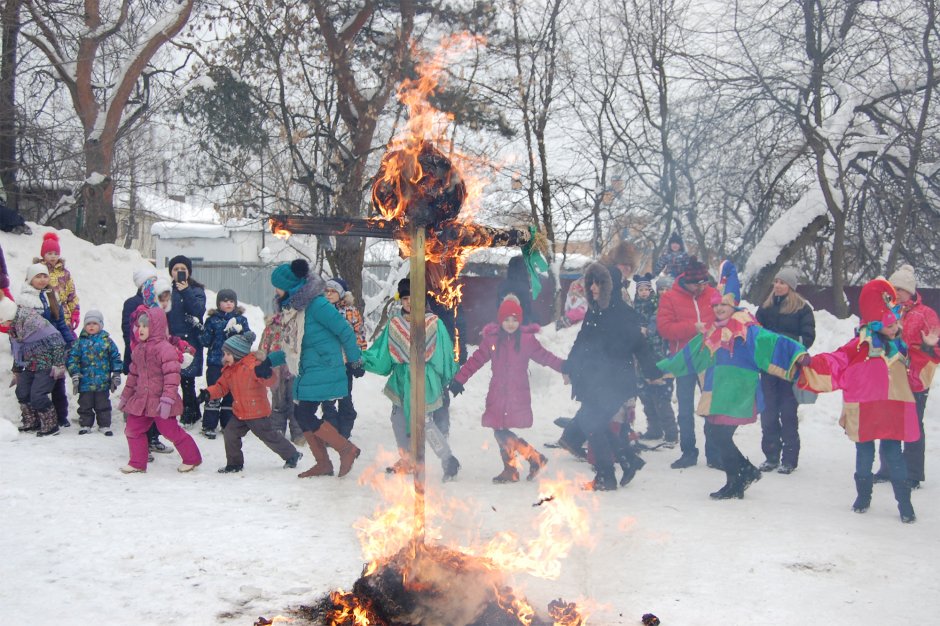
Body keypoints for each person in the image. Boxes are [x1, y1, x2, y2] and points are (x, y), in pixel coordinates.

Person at [658, 261, 807, 499]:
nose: (718, 309)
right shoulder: (713, 331)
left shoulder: (746, 328)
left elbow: (773, 342)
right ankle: (742, 474)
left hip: (738, 392)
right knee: (717, 436)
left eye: (723, 305)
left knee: (720, 436)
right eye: (715, 306)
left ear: (733, 305)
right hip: (718, 391)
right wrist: (662, 369)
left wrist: (799, 354)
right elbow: (690, 354)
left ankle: (738, 478)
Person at [799, 278, 936, 523]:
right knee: (864, 454)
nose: (894, 328)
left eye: (896, 323)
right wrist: (810, 362)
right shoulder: (858, 346)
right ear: (874, 323)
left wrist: (927, 350)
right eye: (889, 323)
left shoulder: (902, 348)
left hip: (893, 408)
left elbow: (918, 378)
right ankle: (863, 496)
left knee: (894, 454)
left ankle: (905, 503)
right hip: (864, 408)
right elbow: (835, 362)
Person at [561, 263, 662, 491]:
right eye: (592, 282)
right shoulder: (595, 309)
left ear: (611, 286)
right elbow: (582, 341)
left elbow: (640, 345)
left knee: (591, 422)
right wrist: (569, 365)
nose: (594, 287)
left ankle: (606, 475)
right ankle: (628, 460)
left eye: (599, 283)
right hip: (594, 380)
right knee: (595, 423)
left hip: (615, 381)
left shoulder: (623, 314)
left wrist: (652, 372)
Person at [450, 296, 564, 483]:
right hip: (497, 393)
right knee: (499, 430)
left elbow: (546, 357)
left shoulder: (527, 341)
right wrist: (459, 380)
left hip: (517, 394)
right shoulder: (491, 340)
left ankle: (528, 461)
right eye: (506, 320)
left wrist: (564, 367)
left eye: (514, 320)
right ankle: (520, 465)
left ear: (519, 321)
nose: (510, 324)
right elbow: (476, 360)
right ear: (500, 320)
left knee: (501, 431)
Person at [269, 259, 363, 478]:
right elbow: (292, 347)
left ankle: (345, 449)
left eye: (278, 286)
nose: (276, 290)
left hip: (324, 367)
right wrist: (268, 361)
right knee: (303, 414)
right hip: (309, 368)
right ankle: (324, 463)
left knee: (304, 413)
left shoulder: (317, 305)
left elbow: (346, 331)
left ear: (291, 285)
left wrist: (355, 360)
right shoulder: (294, 310)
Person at [362, 277, 461, 482]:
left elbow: (444, 354)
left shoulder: (434, 323)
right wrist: (361, 358)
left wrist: (452, 376)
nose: (409, 302)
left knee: (425, 423)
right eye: (405, 298)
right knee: (398, 419)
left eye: (413, 297)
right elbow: (382, 353)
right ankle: (407, 458)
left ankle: (448, 459)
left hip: (424, 378)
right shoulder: (394, 324)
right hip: (401, 380)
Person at [199, 332, 302, 474]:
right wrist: (208, 393)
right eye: (224, 354)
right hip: (239, 412)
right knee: (230, 433)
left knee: (269, 436)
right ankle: (234, 464)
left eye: (228, 354)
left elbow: (270, 381)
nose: (225, 357)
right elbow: (221, 387)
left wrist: (266, 374)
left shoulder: (254, 367)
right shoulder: (229, 371)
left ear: (238, 353)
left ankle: (292, 455)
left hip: (257, 413)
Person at [118, 306, 202, 474]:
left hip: (161, 400)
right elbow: (133, 377)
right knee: (132, 429)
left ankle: (192, 458)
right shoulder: (139, 350)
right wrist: (126, 397)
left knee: (169, 430)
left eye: (145, 326)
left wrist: (167, 399)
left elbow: (172, 377)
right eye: (139, 326)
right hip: (142, 400)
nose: (140, 329)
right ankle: (137, 462)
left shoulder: (165, 349)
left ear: (156, 326)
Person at [878, 264, 940, 489]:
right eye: (893, 288)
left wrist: (928, 346)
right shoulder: (885, 310)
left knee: (913, 422)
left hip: (915, 376)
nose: (896, 292)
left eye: (901, 289)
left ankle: (913, 473)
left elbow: (936, 348)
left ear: (911, 291)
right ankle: (887, 468)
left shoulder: (926, 314)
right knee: (887, 420)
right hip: (890, 373)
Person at [657, 256, 721, 469]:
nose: (701, 287)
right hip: (684, 359)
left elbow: (724, 318)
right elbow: (665, 328)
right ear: (686, 280)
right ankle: (688, 451)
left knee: (711, 406)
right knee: (685, 408)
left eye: (704, 282)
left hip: (709, 357)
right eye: (697, 283)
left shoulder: (712, 294)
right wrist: (693, 327)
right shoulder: (670, 298)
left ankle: (713, 452)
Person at [755, 267, 815, 474]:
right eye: (776, 281)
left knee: (788, 414)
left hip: (790, 369)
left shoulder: (802, 309)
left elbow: (807, 338)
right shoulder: (766, 307)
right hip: (769, 368)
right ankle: (771, 456)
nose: (778, 285)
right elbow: (756, 331)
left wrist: (782, 340)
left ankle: (789, 459)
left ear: (791, 287)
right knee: (768, 413)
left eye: (782, 282)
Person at [122, 267, 173, 456]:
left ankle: (153, 438)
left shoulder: (159, 307)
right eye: (150, 282)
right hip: (141, 360)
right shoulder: (136, 307)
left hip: (156, 362)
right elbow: (132, 333)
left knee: (154, 402)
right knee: (141, 404)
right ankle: (142, 442)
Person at [2, 293, 67, 436]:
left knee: (38, 395)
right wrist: (17, 369)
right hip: (30, 363)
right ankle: (32, 421)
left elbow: (57, 340)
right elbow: (19, 348)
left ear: (7, 315)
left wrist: (58, 365)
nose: (1, 324)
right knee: (22, 392)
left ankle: (51, 426)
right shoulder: (16, 327)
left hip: (47, 363)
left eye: (2, 320)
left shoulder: (33, 323)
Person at [19, 261, 75, 428]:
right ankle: (34, 419)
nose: (42, 280)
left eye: (45, 276)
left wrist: (70, 342)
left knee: (58, 384)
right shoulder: (25, 299)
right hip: (34, 350)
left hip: (54, 348)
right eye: (38, 276)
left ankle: (61, 416)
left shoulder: (52, 295)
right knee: (32, 386)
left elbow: (60, 323)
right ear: (30, 279)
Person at [199, 288, 251, 439]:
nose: (228, 304)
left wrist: (241, 333)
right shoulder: (213, 320)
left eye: (231, 301)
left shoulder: (241, 320)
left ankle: (227, 423)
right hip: (216, 362)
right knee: (214, 393)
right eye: (225, 301)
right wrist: (201, 330)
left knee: (230, 394)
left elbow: (248, 339)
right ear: (218, 303)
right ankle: (209, 425)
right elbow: (206, 341)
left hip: (235, 365)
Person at [633, 272, 678, 444]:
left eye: (667, 289)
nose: (664, 292)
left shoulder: (668, 308)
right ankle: (654, 429)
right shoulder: (640, 305)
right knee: (645, 394)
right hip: (644, 356)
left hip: (662, 357)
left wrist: (647, 331)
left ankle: (671, 433)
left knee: (662, 396)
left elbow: (662, 330)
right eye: (662, 289)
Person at [322, 277, 367, 439]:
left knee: (344, 397)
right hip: (325, 363)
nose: (328, 294)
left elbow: (359, 335)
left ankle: (345, 428)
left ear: (341, 293)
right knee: (327, 400)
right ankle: (331, 431)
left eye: (333, 291)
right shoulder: (320, 311)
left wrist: (358, 361)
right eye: (326, 291)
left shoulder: (350, 311)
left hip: (345, 363)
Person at [66, 310, 123, 436]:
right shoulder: (79, 342)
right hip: (85, 382)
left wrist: (117, 373)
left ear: (101, 325)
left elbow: (115, 357)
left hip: (102, 382)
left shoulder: (107, 341)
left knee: (103, 404)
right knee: (85, 404)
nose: (91, 326)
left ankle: (104, 425)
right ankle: (86, 424)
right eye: (88, 324)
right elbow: (72, 359)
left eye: (94, 323)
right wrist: (74, 373)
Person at [166, 255, 207, 426]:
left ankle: (191, 413)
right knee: (172, 378)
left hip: (190, 341)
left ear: (189, 272)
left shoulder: (196, 291)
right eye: (176, 269)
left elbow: (198, 311)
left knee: (187, 380)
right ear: (171, 272)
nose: (179, 272)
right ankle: (175, 411)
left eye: (183, 269)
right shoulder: (167, 291)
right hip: (172, 340)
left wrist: (185, 291)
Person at [258, 291, 303, 443]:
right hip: (276, 370)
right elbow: (264, 346)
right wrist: (262, 362)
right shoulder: (272, 326)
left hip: (295, 368)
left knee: (295, 399)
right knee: (278, 400)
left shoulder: (300, 324)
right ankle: (277, 429)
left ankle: (298, 432)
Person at [37, 232, 80, 330]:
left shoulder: (65, 273)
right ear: (43, 254)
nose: (53, 256)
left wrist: (75, 311)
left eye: (56, 254)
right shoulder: (39, 271)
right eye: (50, 253)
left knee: (68, 341)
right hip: (46, 315)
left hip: (64, 317)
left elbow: (71, 295)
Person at [496, 255, 536, 324]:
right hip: (520, 325)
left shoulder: (502, 285)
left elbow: (498, 306)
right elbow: (526, 309)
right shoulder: (523, 286)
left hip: (505, 324)